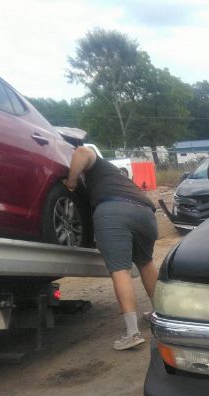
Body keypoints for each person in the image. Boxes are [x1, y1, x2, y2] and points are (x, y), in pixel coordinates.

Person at [65, 146, 158, 350]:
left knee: (120, 270)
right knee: (146, 262)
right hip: (145, 211)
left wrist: (71, 183)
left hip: (113, 210)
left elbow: (82, 151)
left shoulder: (94, 162)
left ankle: (132, 333)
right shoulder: (112, 173)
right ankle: (159, 315)